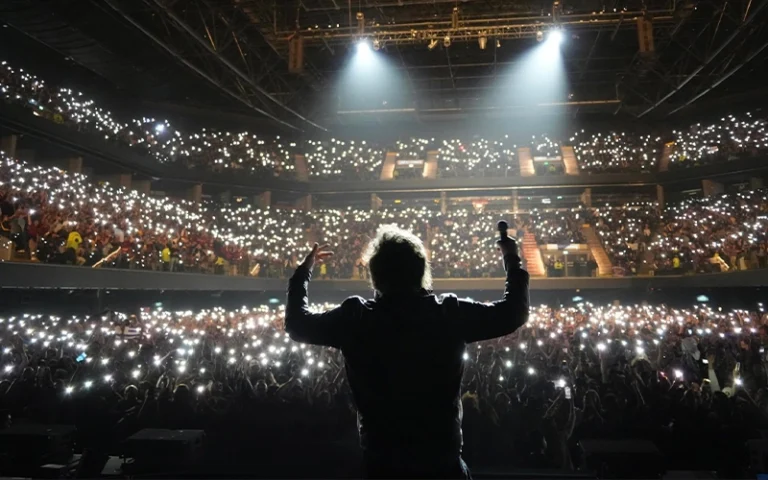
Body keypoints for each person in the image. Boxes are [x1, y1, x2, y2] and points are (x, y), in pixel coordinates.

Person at [285, 224, 530, 479]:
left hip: (381, 466)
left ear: (375, 275)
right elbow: (513, 313)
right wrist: (511, 258)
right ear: (421, 270)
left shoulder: (356, 319)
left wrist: (303, 273)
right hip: (441, 465)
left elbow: (297, 324)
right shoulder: (447, 314)